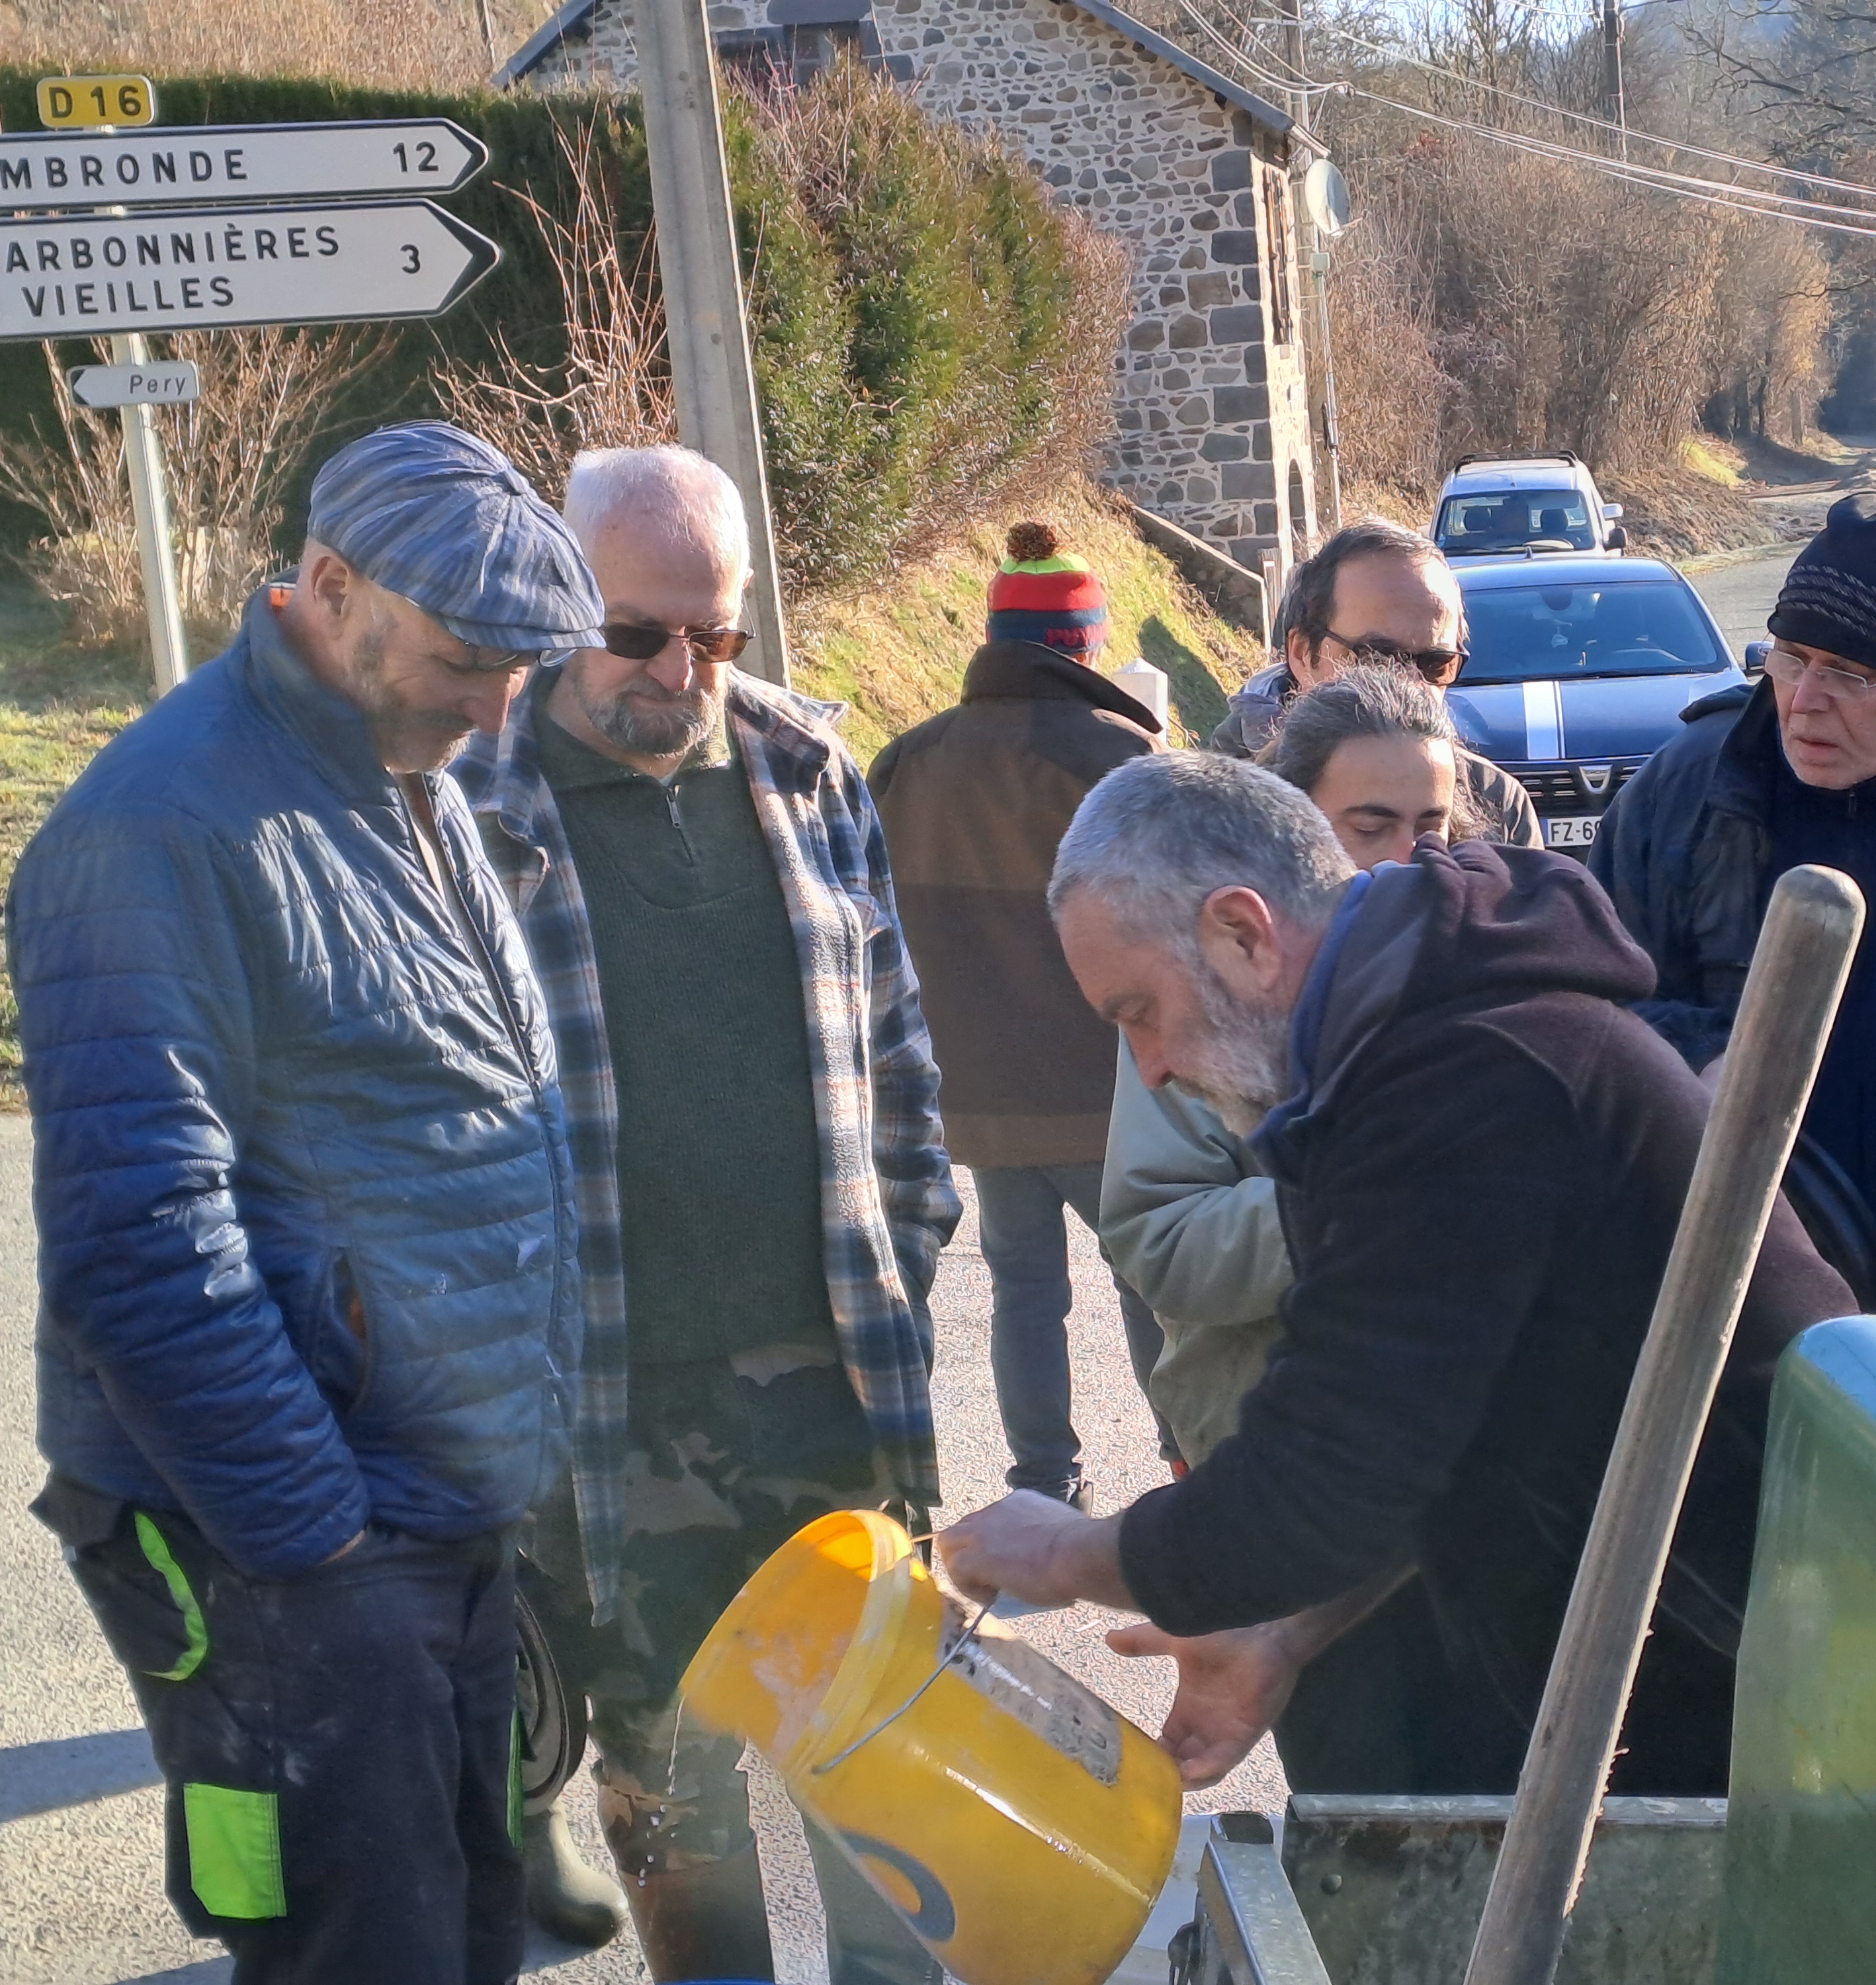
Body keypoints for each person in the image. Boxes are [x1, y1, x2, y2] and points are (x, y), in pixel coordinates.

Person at [940, 752, 1857, 1796]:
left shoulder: (1462, 1075)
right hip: (1711, 1654)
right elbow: (1439, 1434)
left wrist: (1064, 1551)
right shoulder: (1416, 1053)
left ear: (1243, 933)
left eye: (1138, 1010)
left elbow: (1317, 1481)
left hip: (1770, 1684)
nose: (1148, 1067)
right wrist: (1282, 1634)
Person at [11, 422, 603, 1984]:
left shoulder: (405, 770)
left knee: (469, 1927)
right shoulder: (160, 827)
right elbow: (140, 1247)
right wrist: (323, 1545)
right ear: (328, 587)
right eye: (471, 659)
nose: (497, 708)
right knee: (361, 1951)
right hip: (286, 1543)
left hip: (424, 1511)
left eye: (522, 671)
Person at [453, 447, 960, 1982]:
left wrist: (907, 1238)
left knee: (886, 1789)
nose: (683, 671)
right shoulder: (464, 806)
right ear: (557, 609)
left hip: (833, 1389)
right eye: (639, 635)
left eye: (718, 635)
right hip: (605, 1419)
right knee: (682, 1820)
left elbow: (898, 1058)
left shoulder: (809, 767)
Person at [1097, 672, 1491, 1792]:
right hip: (1301, 1488)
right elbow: (1160, 1236)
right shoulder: (1204, 993)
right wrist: (1370, 1208)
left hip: (1474, 1517)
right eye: (1371, 826)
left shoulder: (1493, 978)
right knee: (1360, 1837)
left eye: (1434, 824)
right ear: (1292, 832)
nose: (1411, 858)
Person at [1590, 490, 1876, 1306]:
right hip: (1747, 1270)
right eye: (1790, 657)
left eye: (1849, 674)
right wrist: (1700, 1055)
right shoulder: (1685, 787)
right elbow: (1587, 1002)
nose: (1803, 702)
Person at [870, 520, 1168, 1508]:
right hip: (1105, 1089)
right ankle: (1188, 1457)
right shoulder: (1116, 756)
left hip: (977, 1094)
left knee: (1023, 1291)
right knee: (1150, 1280)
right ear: (1083, 646)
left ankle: (1044, 1483)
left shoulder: (908, 760)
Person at [1209, 517, 1545, 849]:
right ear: (1302, 653)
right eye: (1377, 660)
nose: (1408, 684)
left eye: (1435, 663)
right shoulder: (1209, 805)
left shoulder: (1498, 807)